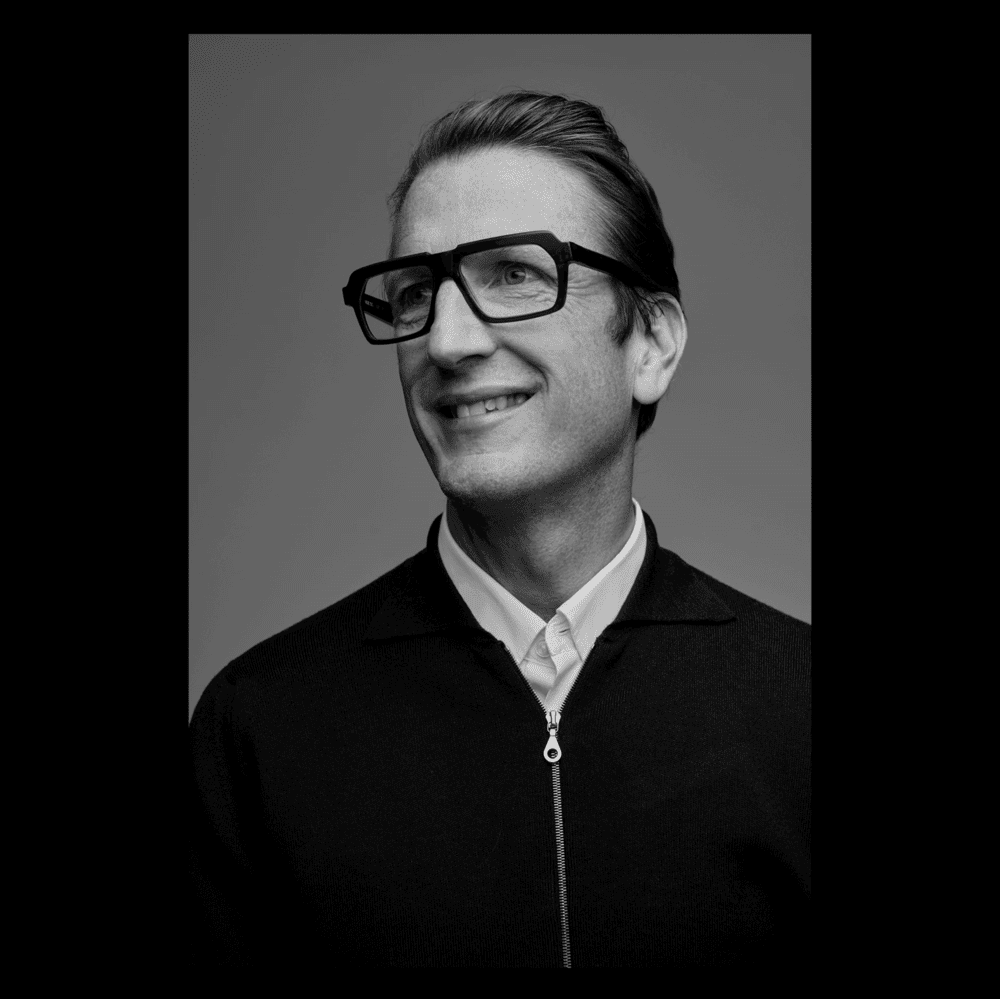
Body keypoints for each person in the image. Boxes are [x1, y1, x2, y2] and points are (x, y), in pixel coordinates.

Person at [190, 91, 810, 969]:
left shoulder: (799, 705)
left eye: (514, 274)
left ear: (650, 343)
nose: (446, 342)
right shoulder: (255, 729)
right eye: (415, 291)